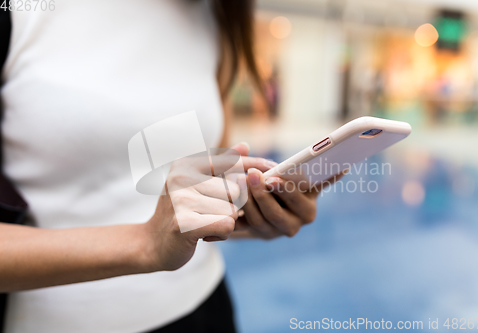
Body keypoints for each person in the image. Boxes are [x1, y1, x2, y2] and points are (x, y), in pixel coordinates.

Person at [0, 1, 335, 332]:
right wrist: (145, 242)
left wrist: (257, 212)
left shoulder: (215, 15)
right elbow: (157, 232)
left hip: (205, 308)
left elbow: (210, 180)